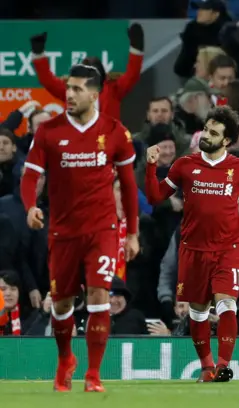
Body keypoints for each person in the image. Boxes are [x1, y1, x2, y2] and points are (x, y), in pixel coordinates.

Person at [20, 64, 140, 392]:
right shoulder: (49, 131)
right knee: (61, 304)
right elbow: (30, 175)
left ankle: (94, 375)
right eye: (67, 88)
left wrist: (131, 233)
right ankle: (65, 360)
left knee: (100, 296)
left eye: (76, 89)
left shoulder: (116, 131)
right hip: (62, 232)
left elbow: (128, 185)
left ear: (94, 93)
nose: (68, 94)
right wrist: (31, 205)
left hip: (102, 229)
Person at [144, 106, 239, 383]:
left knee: (226, 305)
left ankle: (223, 366)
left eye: (214, 133)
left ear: (227, 141)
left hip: (227, 250)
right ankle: (206, 367)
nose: (206, 135)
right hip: (193, 250)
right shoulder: (185, 164)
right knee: (197, 311)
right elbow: (155, 196)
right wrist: (150, 166)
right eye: (207, 129)